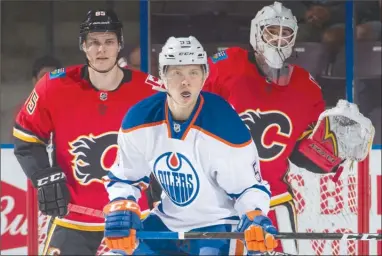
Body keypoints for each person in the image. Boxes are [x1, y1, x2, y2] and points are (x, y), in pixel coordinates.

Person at [148, 2, 374, 254]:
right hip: (216, 204)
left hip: (272, 204)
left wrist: (333, 149)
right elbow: (180, 110)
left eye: (285, 33)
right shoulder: (227, 66)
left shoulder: (305, 87)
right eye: (271, 31)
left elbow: (302, 154)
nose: (278, 39)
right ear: (256, 34)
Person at [102, 36, 278, 256]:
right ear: (163, 76)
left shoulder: (225, 124)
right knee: (116, 252)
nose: (185, 82)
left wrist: (254, 216)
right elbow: (126, 177)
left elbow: (248, 188)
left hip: (220, 224)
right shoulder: (139, 118)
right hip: (168, 221)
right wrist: (122, 203)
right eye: (177, 73)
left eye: (193, 73)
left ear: (204, 76)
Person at [13, 9, 158, 255]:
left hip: (134, 219)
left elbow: (175, 141)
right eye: (94, 43)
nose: (101, 49)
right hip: (73, 221)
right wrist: (43, 175)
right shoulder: (53, 86)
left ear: (119, 44)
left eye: (109, 42)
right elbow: (26, 138)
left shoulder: (152, 91)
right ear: (83, 45)